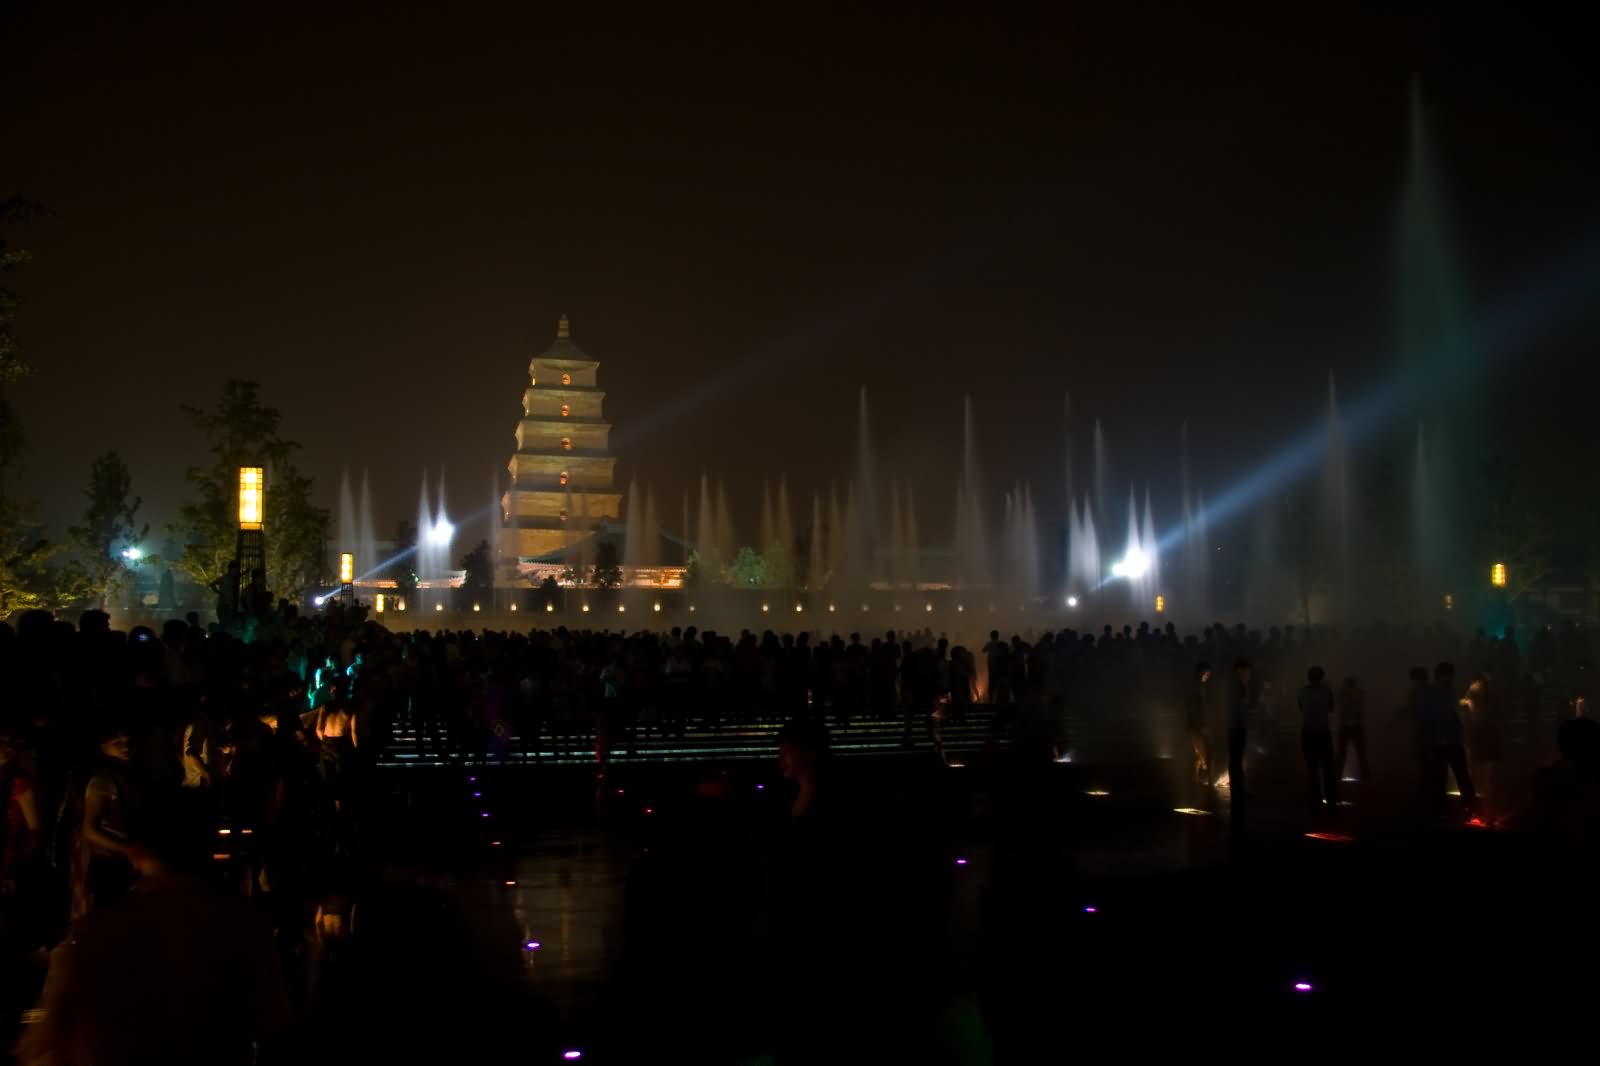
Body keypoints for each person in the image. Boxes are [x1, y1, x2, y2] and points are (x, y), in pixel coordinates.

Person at [19, 801, 289, 1066]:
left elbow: (47, 1039)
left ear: (136, 852)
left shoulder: (91, 935)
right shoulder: (245, 927)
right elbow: (274, 1031)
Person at [73, 728, 145, 917]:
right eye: (118, 743)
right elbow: (89, 829)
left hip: (125, 862)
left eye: (128, 742)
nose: (126, 748)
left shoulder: (128, 778)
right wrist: (129, 849)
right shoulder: (102, 781)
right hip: (108, 865)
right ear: (103, 747)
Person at [1418, 662, 1476, 814]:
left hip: (1448, 740)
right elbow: (1426, 718)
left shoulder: (1444, 691)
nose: (1450, 679)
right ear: (1442, 676)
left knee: (1454, 774)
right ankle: (1461, 806)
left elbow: (1446, 715)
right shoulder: (1434, 692)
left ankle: (1463, 806)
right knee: (1446, 775)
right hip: (1442, 741)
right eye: (1448, 676)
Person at [1298, 666, 1338, 810]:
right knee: (1327, 767)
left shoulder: (1303, 691)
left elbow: (1301, 708)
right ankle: (1331, 799)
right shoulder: (1326, 691)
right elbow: (1331, 708)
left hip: (1308, 732)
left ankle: (1316, 800)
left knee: (1312, 768)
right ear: (1322, 677)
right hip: (1322, 732)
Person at [1227, 660, 1257, 796]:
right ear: (1240, 671)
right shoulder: (1237, 686)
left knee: (1236, 759)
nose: (1249, 674)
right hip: (1236, 727)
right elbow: (1237, 708)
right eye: (1247, 671)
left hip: (1236, 726)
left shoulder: (1237, 686)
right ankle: (1237, 788)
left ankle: (1237, 787)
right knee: (1236, 759)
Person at [1335, 676, 1369, 783]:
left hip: (1346, 726)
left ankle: (1337, 776)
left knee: (1342, 754)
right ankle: (1365, 777)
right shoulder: (1358, 693)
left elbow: (1337, 700)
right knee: (1361, 754)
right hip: (1356, 726)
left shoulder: (1343, 693)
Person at [1186, 662, 1213, 785]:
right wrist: (1201, 723)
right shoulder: (1196, 687)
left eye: (1209, 673)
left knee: (1199, 752)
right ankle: (1207, 777)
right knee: (1202, 752)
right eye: (1206, 673)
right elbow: (1195, 706)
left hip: (1197, 724)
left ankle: (1196, 776)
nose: (1208, 675)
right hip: (1196, 725)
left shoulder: (1199, 686)